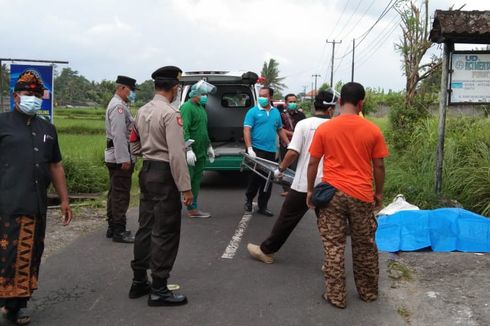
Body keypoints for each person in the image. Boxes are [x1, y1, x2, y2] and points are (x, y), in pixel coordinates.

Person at [0, 69, 73, 325]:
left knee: (29, 255)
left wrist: (64, 199)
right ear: (15, 96)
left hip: (36, 204)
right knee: (7, 257)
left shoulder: (48, 129)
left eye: (36, 94)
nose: (31, 97)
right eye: (26, 93)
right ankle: (9, 302)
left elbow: (55, 166)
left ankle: (16, 305)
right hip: (7, 204)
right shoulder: (3, 123)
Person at [307, 82, 388, 309]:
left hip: (332, 194)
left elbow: (313, 162)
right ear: (362, 103)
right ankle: (368, 293)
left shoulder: (326, 128)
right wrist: (379, 193)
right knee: (365, 246)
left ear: (340, 101)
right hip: (362, 195)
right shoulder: (372, 130)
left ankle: (336, 296)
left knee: (333, 246)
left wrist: (311, 191)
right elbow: (379, 166)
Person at [247, 90, 337, 264]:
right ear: (331, 109)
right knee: (328, 226)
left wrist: (280, 169)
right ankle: (332, 262)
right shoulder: (336, 126)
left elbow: (293, 152)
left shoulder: (304, 124)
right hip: (329, 184)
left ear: (314, 105)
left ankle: (266, 251)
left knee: (287, 218)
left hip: (304, 183)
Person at [129, 66, 193, 307]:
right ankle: (159, 288)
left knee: (145, 227)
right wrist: (185, 188)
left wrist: (146, 153)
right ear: (175, 88)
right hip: (164, 174)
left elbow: (133, 144)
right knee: (165, 231)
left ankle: (138, 281)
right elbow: (177, 155)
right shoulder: (170, 114)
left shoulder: (142, 110)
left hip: (147, 170)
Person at [243, 87, 290, 216]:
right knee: (256, 177)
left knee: (269, 179)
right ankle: (249, 199)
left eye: (264, 96)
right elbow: (247, 130)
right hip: (257, 149)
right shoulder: (253, 112)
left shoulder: (276, 113)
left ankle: (263, 206)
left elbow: (280, 130)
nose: (261, 98)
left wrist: (288, 143)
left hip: (271, 151)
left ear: (270, 98)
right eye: (260, 95)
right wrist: (250, 148)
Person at [104, 75, 138, 243]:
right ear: (123, 88)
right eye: (131, 90)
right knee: (120, 195)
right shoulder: (118, 107)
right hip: (119, 158)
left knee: (114, 193)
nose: (133, 94)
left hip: (114, 156)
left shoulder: (121, 105)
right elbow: (118, 135)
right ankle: (119, 230)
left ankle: (112, 227)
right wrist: (124, 159)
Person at [180, 80, 216, 218]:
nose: (205, 96)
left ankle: (192, 206)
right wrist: (188, 149)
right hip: (191, 151)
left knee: (196, 180)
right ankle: (191, 208)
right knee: (189, 180)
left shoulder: (201, 108)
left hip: (201, 150)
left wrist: (209, 146)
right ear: (195, 93)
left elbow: (203, 131)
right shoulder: (187, 108)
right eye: (203, 94)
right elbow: (184, 129)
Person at [279, 93, 306, 196]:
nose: (293, 103)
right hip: (286, 144)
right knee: (286, 165)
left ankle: (295, 188)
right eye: (290, 102)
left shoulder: (301, 115)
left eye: (294, 102)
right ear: (286, 103)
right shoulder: (281, 115)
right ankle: (286, 189)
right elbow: (280, 129)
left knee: (297, 166)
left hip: (299, 144)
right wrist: (293, 134)